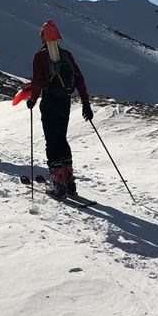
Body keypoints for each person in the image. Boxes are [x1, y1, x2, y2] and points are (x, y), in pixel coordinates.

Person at [25, 20, 91, 197]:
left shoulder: (40, 57)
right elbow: (79, 79)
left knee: (51, 141)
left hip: (49, 102)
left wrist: (32, 99)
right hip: (65, 102)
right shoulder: (67, 55)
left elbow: (37, 81)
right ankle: (69, 181)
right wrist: (85, 103)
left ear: (42, 37)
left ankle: (58, 182)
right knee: (61, 138)